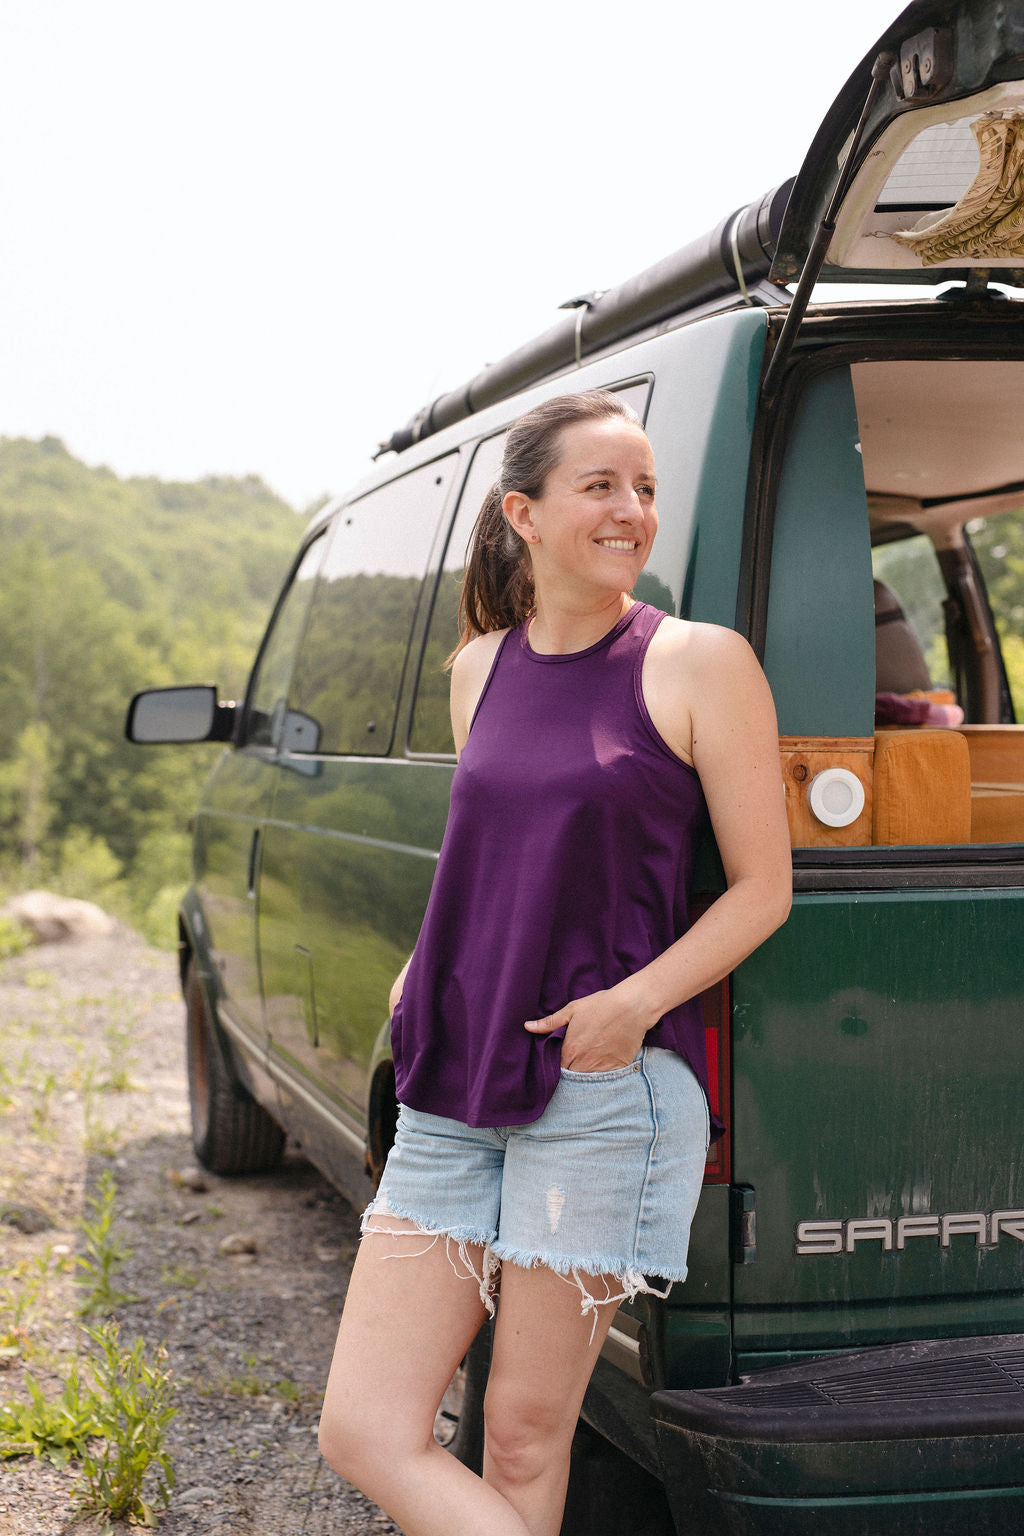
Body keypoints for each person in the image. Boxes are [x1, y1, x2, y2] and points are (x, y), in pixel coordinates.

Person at [317, 389, 792, 1536]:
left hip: (602, 1091)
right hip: (450, 1082)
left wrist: (630, 1005)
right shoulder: (479, 667)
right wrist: (422, 962)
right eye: (601, 487)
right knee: (365, 1427)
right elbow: (487, 848)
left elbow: (764, 889)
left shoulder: (697, 662)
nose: (632, 510)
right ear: (523, 514)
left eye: (645, 489)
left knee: (526, 1439)